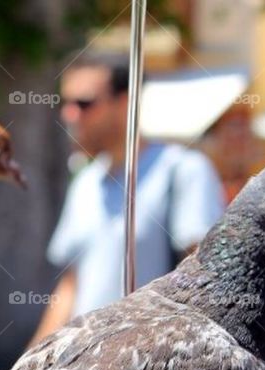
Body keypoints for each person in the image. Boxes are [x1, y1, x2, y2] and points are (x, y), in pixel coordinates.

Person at [31, 51, 225, 345]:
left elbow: (205, 279)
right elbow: (72, 284)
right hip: (81, 368)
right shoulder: (85, 180)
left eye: (84, 103)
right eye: (66, 103)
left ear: (126, 103)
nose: (69, 115)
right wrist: (30, 365)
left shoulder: (184, 171)